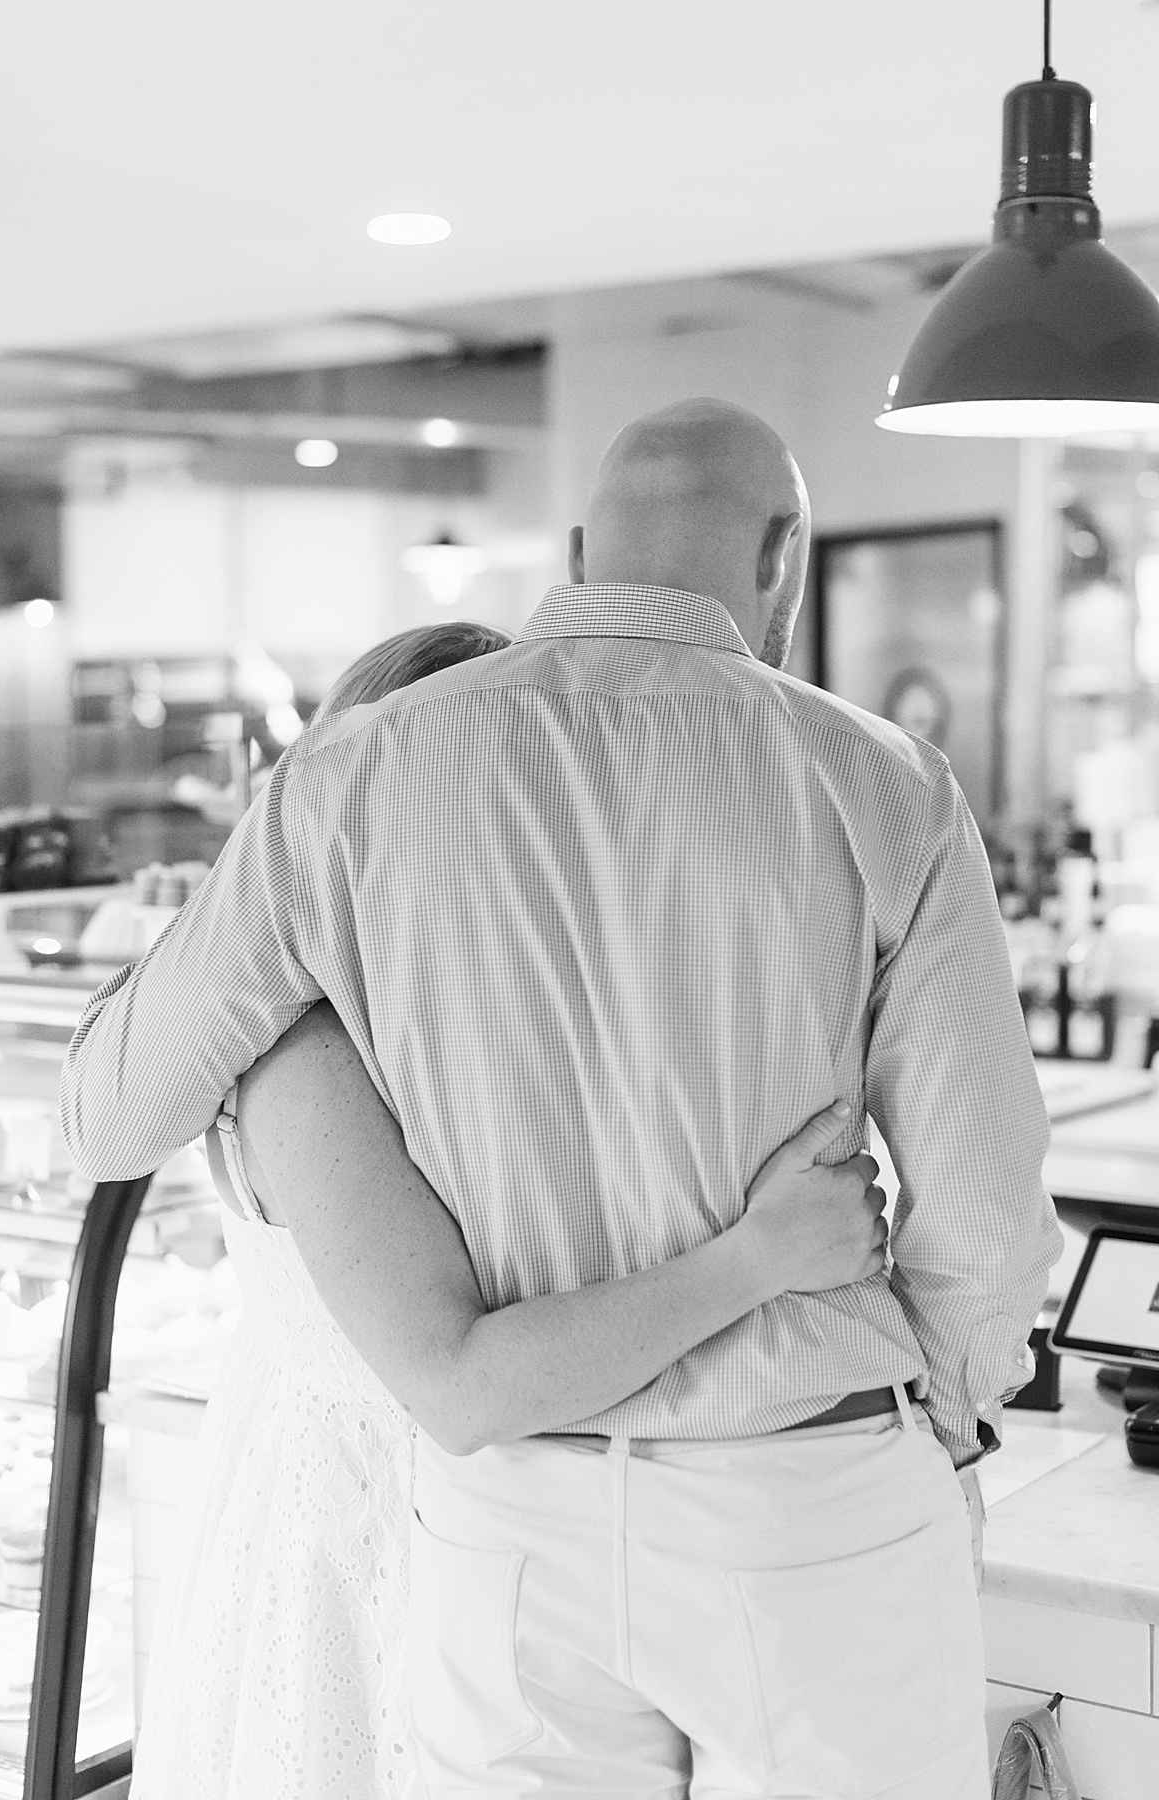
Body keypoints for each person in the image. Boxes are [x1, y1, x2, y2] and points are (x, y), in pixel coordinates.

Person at [63, 398, 1062, 1799]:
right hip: (805, 1490)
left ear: (583, 545)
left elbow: (105, 1120)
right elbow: (985, 1199)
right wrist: (945, 1419)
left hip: (506, 1517)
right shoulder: (880, 780)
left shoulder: (344, 781)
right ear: (783, 555)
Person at [124, 619, 890, 1800]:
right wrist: (765, 1255)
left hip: (519, 1546)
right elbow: (463, 1385)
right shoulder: (303, 1047)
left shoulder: (455, 1011)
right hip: (370, 1550)